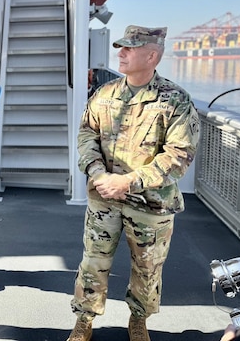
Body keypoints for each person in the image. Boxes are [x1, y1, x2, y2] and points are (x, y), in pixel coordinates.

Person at [66, 25, 200, 341]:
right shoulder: (105, 94)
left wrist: (128, 182)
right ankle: (84, 319)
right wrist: (99, 174)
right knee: (93, 261)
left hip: (150, 204)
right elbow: (87, 135)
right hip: (104, 198)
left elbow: (179, 154)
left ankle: (138, 320)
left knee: (147, 268)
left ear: (151, 55)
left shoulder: (175, 100)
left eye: (129, 48)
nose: (121, 53)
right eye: (121, 47)